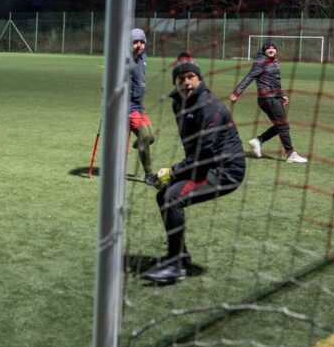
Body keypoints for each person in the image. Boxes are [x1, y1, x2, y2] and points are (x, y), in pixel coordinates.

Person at [143, 53, 246, 285]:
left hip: (225, 169)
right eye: (180, 78)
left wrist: (173, 171)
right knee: (164, 196)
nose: (186, 82)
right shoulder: (178, 102)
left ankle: (177, 267)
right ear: (174, 83)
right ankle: (178, 256)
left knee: (171, 197)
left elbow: (205, 154)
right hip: (206, 165)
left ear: (199, 79)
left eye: (191, 77)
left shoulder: (210, 108)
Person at [229, 38, 308, 163]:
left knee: (280, 125)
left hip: (274, 97)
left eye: (273, 48)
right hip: (268, 98)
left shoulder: (274, 61)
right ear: (264, 50)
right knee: (283, 126)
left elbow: (275, 81)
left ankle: (258, 141)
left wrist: (283, 95)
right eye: (268, 48)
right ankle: (290, 154)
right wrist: (236, 92)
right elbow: (249, 77)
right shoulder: (261, 62)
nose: (271, 50)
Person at [129, 28, 157, 185]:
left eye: (141, 42)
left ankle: (140, 142)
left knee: (150, 137)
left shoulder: (143, 57)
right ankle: (148, 174)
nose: (139, 45)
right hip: (127, 106)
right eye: (135, 42)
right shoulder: (125, 59)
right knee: (145, 136)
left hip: (140, 105)